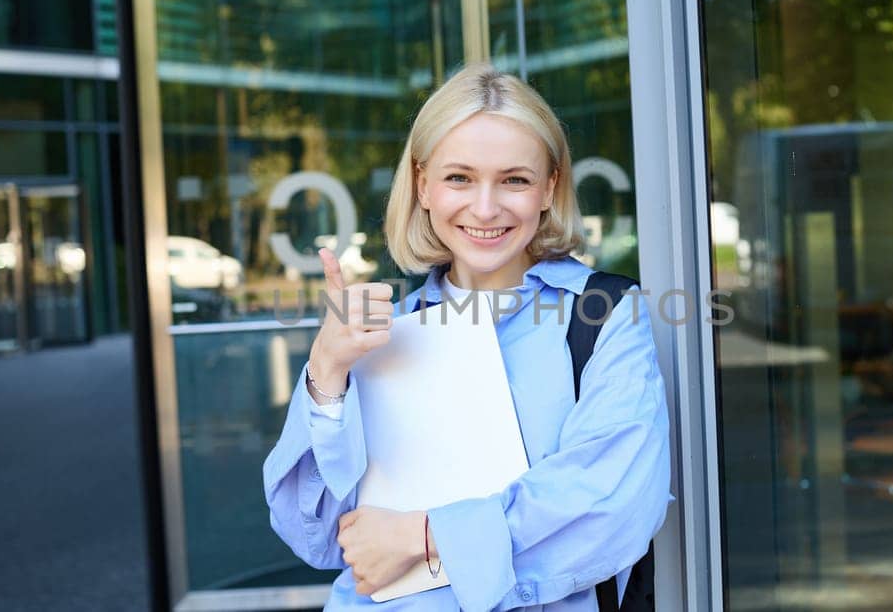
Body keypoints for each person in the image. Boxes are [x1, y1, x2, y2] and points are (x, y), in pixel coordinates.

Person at [263, 63, 670, 611]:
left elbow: (608, 506)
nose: (485, 208)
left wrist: (422, 537)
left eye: (514, 180)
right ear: (423, 184)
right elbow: (317, 536)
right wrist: (326, 375)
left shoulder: (604, 317)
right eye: (459, 178)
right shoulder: (383, 331)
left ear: (549, 187)